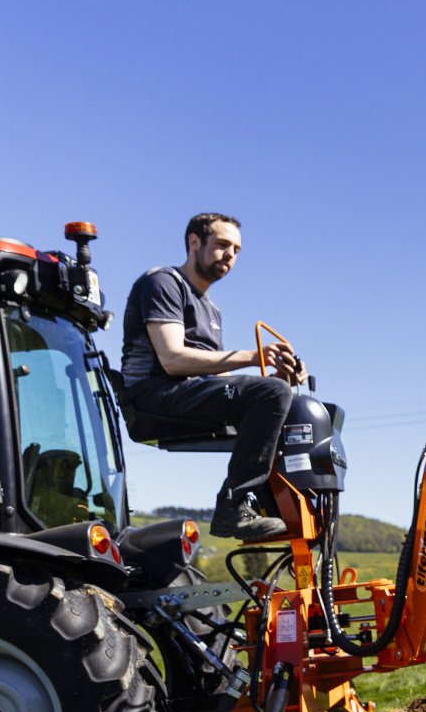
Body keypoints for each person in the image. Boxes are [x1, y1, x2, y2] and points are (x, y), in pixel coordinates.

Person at [119, 213, 306, 541]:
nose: (230, 255)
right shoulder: (163, 283)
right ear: (194, 242)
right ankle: (232, 508)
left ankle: (272, 505)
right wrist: (254, 358)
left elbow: (219, 378)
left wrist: (279, 377)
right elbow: (173, 359)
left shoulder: (211, 310)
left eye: (236, 249)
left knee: (285, 400)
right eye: (222, 244)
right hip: (154, 394)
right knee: (272, 393)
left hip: (190, 391)